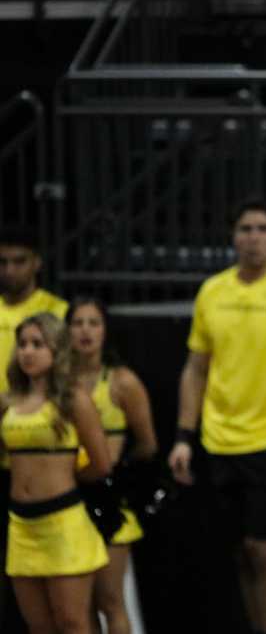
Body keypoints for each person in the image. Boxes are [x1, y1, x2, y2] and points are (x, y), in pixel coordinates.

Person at [167, 198, 266, 634]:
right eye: (245, 229)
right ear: (233, 236)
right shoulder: (213, 292)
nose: (253, 238)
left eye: (262, 229)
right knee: (238, 551)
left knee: (265, 549)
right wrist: (185, 435)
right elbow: (196, 368)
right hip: (219, 440)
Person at [1, 312, 112, 634]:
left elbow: (102, 464)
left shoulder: (74, 400)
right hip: (21, 524)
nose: (28, 351)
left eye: (38, 344)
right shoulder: (8, 401)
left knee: (73, 623)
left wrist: (66, 481)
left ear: (57, 350)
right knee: (38, 625)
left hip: (62, 523)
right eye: (22, 344)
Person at [68, 297, 158, 634]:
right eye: (78, 323)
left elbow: (148, 444)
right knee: (79, 605)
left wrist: (116, 473)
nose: (86, 331)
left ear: (106, 331)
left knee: (110, 600)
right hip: (67, 499)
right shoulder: (59, 383)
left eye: (94, 323)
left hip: (108, 500)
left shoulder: (122, 382)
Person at [0, 226, 68, 632]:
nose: (8, 270)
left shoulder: (57, 311)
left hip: (51, 481)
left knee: (69, 612)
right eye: (2, 262)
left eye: (18, 261)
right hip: (7, 454)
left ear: (37, 262)